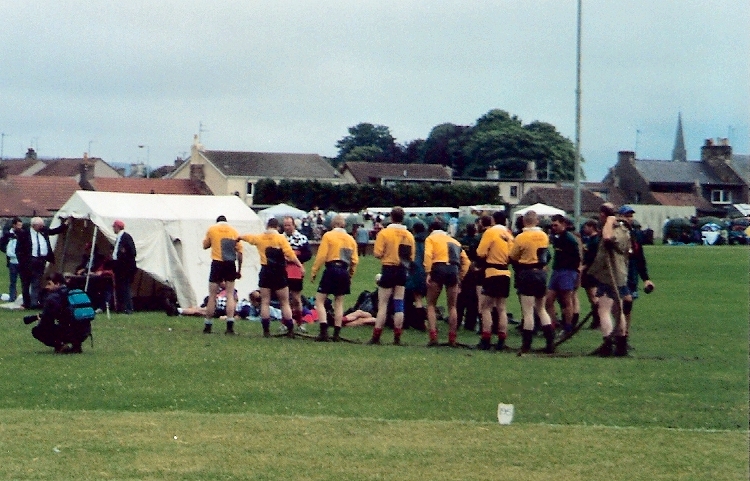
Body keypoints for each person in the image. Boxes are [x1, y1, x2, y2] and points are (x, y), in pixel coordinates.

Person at [239, 217, 302, 338]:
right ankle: (290, 329)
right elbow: (290, 253)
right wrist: (299, 265)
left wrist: (239, 237)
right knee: (284, 302)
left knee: (265, 302)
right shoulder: (280, 238)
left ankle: (266, 331)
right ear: (277, 227)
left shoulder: (260, 237)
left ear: (267, 226)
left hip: (265, 271)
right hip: (279, 272)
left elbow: (249, 238)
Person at [586, 203, 632, 357]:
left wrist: (609, 223)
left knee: (604, 310)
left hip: (611, 276)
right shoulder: (623, 229)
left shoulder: (615, 229)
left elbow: (607, 237)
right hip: (618, 275)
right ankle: (621, 344)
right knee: (617, 311)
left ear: (604, 215)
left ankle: (608, 344)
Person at [508, 210, 555, 354]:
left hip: (526, 273)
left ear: (523, 221)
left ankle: (526, 344)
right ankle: (550, 342)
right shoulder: (543, 236)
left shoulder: (521, 237)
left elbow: (513, 256)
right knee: (541, 309)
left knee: (528, 311)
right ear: (537, 221)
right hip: (541, 273)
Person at [367, 207, 415, 345]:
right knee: (399, 303)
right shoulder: (408, 235)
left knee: (383, 304)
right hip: (402, 270)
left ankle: (376, 336)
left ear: (391, 217)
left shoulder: (385, 233)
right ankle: (397, 337)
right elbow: (411, 257)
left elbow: (377, 253)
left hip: (388, 268)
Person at [310, 215, 359, 342]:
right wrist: (350, 274)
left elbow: (321, 256)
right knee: (339, 302)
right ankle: (336, 333)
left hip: (331, 269)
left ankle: (323, 331)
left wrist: (314, 271)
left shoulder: (328, 236)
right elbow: (354, 260)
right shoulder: (350, 239)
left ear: (332, 225)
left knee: (320, 300)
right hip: (344, 270)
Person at [423, 220, 470, 346]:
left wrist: (428, 272)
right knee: (452, 306)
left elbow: (428, 254)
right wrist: (460, 277)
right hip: (453, 270)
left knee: (431, 304)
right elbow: (466, 262)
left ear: (431, 229)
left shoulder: (431, 239)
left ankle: (433, 336)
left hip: (438, 268)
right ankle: (452, 338)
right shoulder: (455, 241)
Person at [475, 211, 514, 351]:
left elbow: (481, 252)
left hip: (492, 272)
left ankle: (486, 338)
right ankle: (502, 339)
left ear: (493, 220)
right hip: (505, 272)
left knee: (486, 307)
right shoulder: (509, 235)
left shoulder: (491, 232)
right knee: (502, 307)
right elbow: (513, 255)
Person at [26, 272, 91, 354]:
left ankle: (60, 346)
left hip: (69, 332)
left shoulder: (53, 298)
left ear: (57, 284)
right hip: (85, 332)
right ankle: (76, 346)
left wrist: (40, 320)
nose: (47, 287)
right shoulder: (75, 292)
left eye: (49, 284)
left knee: (37, 331)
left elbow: (46, 322)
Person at [617, 205, 655, 337]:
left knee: (628, 305)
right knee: (619, 305)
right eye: (626, 216)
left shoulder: (636, 235)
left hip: (631, 274)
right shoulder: (616, 232)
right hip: (618, 272)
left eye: (630, 216)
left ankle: (625, 334)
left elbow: (640, 258)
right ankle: (617, 334)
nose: (629, 219)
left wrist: (646, 279)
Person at [16, 216, 69, 309]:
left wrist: (65, 224)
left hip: (40, 260)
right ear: (34, 225)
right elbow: (19, 250)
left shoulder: (43, 232)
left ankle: (34, 303)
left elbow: (54, 231)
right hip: (28, 262)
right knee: (26, 283)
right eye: (40, 225)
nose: (42, 227)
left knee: (36, 282)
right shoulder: (24, 234)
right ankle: (26, 303)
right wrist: (23, 262)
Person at [202, 215, 243, 334]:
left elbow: (205, 245)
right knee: (230, 295)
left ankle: (208, 325)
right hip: (230, 263)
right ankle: (230, 326)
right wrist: (239, 270)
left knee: (212, 295)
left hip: (217, 263)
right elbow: (240, 253)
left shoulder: (212, 229)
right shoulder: (234, 231)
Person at [544, 214, 581, 334]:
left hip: (567, 272)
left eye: (556, 225)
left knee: (566, 301)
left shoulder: (569, 239)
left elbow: (577, 259)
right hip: (556, 271)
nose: (553, 227)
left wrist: (575, 275)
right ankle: (554, 323)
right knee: (548, 300)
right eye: (552, 225)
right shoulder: (556, 237)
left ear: (563, 224)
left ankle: (568, 327)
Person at [282, 216, 313, 331]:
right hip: (283, 271)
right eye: (285, 225)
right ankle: (285, 322)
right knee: (284, 298)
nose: (287, 227)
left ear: (294, 225)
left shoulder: (301, 238)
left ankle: (300, 322)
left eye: (289, 225)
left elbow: (308, 254)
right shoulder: (280, 238)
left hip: (296, 271)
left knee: (296, 298)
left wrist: (295, 257)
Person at [456, 222, 481, 332]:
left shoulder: (460, 242)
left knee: (460, 297)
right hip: (474, 271)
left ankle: (457, 320)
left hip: (462, 270)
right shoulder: (477, 241)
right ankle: (470, 323)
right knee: (473, 298)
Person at [580, 219, 602, 329]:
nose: (584, 229)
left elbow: (593, 258)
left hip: (591, 272)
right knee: (591, 297)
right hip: (588, 272)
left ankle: (598, 319)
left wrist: (583, 267)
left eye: (586, 227)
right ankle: (596, 318)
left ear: (591, 227)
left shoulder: (595, 241)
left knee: (594, 296)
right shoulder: (590, 240)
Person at [111, 220, 137, 314]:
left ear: (118, 227)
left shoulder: (126, 237)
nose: (113, 229)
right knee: (121, 288)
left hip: (125, 268)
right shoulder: (119, 238)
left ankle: (129, 308)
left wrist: (123, 254)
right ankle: (121, 307)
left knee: (125, 288)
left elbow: (132, 252)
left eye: (114, 227)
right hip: (119, 267)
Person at [5, 217, 22, 303]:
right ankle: (12, 297)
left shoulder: (22, 235)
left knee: (24, 280)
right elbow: (8, 250)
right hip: (13, 262)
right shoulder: (10, 236)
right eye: (18, 225)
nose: (20, 227)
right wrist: (15, 256)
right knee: (13, 281)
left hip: (21, 261)